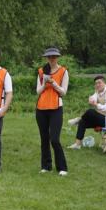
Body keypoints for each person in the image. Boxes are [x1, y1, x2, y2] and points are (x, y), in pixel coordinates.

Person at [35, 47, 69, 175]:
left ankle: (62, 168)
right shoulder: (41, 71)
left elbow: (63, 92)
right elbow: (38, 91)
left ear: (57, 57)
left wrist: (53, 83)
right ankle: (46, 166)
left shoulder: (63, 71)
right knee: (44, 139)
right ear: (47, 58)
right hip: (41, 108)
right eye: (49, 57)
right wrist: (45, 84)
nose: (51, 59)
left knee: (54, 139)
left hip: (56, 108)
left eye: (54, 57)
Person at [68, 76, 106, 149]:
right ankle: (77, 144)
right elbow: (94, 97)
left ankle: (78, 119)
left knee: (90, 111)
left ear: (104, 83)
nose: (97, 85)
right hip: (101, 117)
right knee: (82, 122)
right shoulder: (98, 91)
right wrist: (91, 99)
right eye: (96, 83)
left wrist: (96, 104)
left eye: (99, 83)